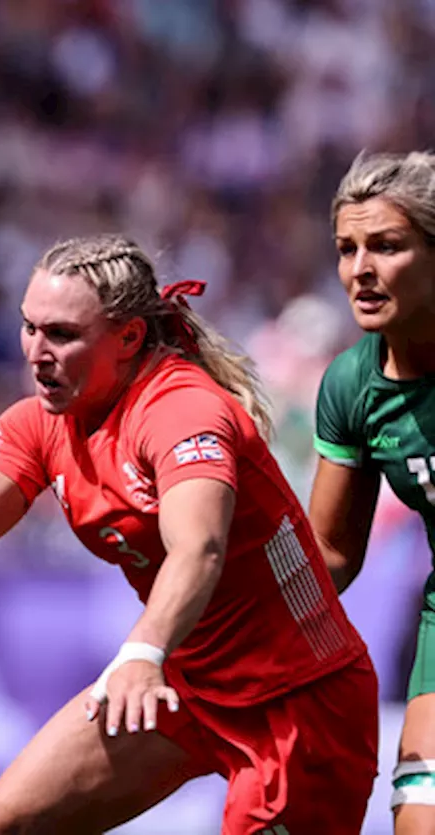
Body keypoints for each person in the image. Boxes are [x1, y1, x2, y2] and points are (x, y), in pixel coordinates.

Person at [0, 234, 378, 834]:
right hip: (184, 684)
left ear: (129, 338)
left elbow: (200, 549)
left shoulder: (181, 409)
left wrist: (141, 654)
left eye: (62, 334)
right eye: (29, 328)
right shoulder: (39, 424)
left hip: (298, 698)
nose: (37, 352)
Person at [311, 150, 435, 834]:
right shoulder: (352, 385)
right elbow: (330, 552)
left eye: (387, 246)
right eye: (347, 248)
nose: (360, 269)